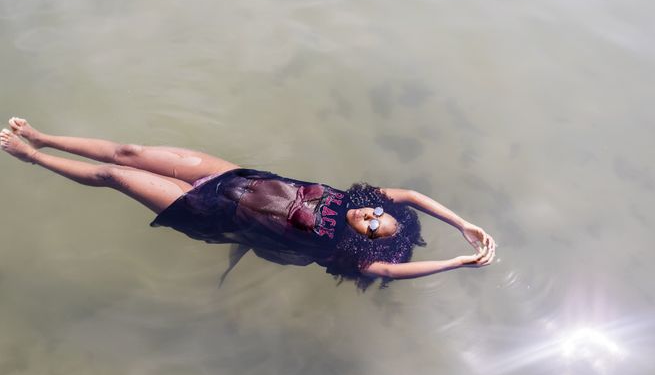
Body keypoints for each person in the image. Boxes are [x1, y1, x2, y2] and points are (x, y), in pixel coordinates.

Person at [1, 117, 496, 290]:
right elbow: (410, 195)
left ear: (361, 244)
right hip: (227, 175)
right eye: (379, 215)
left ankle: (31, 158)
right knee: (130, 151)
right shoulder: (357, 199)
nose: (371, 217)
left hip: (209, 209)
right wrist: (462, 223)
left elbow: (386, 273)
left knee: (114, 175)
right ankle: (43, 137)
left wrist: (455, 261)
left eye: (371, 228)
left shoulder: (339, 248)